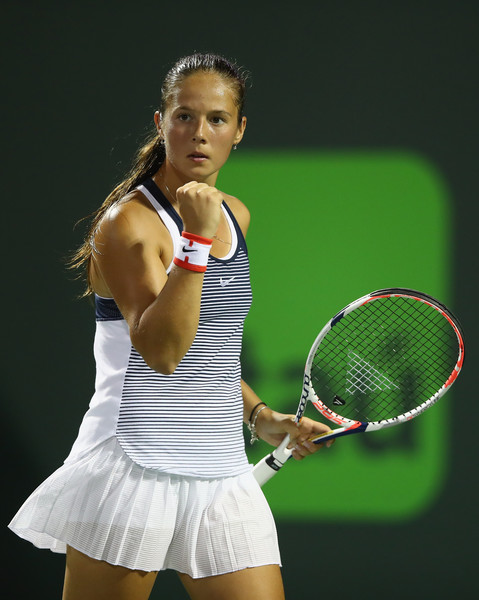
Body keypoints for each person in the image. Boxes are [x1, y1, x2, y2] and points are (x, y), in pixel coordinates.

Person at [9, 53, 332, 600]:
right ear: (160, 124)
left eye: (217, 119)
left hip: (220, 468)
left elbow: (211, 351)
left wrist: (260, 416)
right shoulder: (127, 223)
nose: (199, 134)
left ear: (240, 130)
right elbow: (162, 351)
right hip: (130, 462)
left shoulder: (236, 214)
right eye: (184, 116)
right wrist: (195, 243)